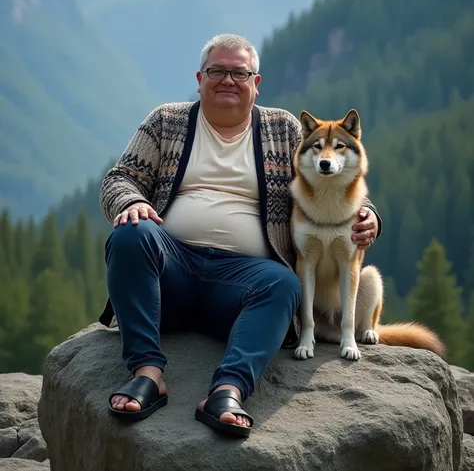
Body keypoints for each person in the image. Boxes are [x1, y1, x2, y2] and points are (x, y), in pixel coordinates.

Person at [98, 34, 382, 437]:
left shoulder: (283, 129)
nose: (227, 80)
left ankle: (228, 390)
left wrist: (369, 215)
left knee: (285, 284)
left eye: (239, 72)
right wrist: (129, 202)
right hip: (171, 270)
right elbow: (119, 177)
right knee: (130, 236)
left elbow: (333, 178)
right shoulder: (167, 121)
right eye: (217, 71)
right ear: (200, 78)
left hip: (242, 281)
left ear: (256, 82)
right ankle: (147, 374)